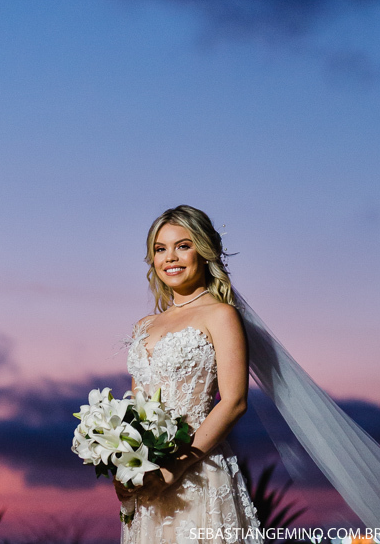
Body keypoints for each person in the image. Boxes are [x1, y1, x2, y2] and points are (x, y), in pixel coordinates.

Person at [115, 205, 260, 543]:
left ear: (204, 250)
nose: (171, 257)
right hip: (149, 481)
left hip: (198, 471)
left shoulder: (220, 315)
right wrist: (125, 465)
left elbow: (235, 402)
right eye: (160, 249)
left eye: (183, 245)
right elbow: (137, 408)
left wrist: (177, 466)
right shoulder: (144, 325)